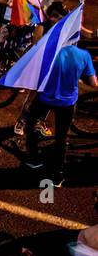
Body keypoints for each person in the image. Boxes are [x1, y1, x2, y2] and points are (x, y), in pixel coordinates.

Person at [21, 32, 97, 184]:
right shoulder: (83, 55)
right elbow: (93, 83)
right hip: (67, 103)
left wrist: (28, 99)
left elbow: (37, 77)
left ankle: (34, 158)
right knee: (61, 138)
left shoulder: (50, 52)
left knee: (30, 121)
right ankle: (58, 175)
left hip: (46, 98)